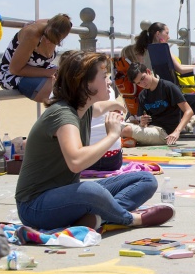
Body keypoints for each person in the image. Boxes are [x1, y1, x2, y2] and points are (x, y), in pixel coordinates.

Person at [15, 51, 175, 231]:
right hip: (35, 206)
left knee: (146, 179)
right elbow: (76, 162)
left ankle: (99, 218)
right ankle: (131, 219)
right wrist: (112, 136)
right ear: (84, 83)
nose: (109, 81)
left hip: (66, 196)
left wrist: (117, 106)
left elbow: (99, 108)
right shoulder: (63, 114)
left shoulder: (84, 109)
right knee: (91, 192)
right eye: (104, 76)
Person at [0, 14, 72, 102]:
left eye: (53, 41)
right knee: (52, 88)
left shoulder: (57, 25)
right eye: (47, 37)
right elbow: (14, 69)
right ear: (47, 28)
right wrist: (48, 73)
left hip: (38, 69)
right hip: (11, 75)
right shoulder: (32, 34)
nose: (48, 42)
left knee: (73, 76)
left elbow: (57, 21)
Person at [120, 62, 195, 146]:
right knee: (115, 127)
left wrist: (177, 132)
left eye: (143, 78)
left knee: (126, 130)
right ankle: (128, 140)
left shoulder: (168, 87)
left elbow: (189, 111)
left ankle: (126, 140)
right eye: (138, 83)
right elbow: (142, 124)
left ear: (148, 72)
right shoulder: (142, 95)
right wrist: (142, 122)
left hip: (165, 133)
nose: (142, 83)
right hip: (150, 130)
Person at [87, 84, 123, 171]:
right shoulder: (109, 89)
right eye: (104, 76)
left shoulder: (67, 91)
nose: (110, 80)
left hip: (84, 159)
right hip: (112, 158)